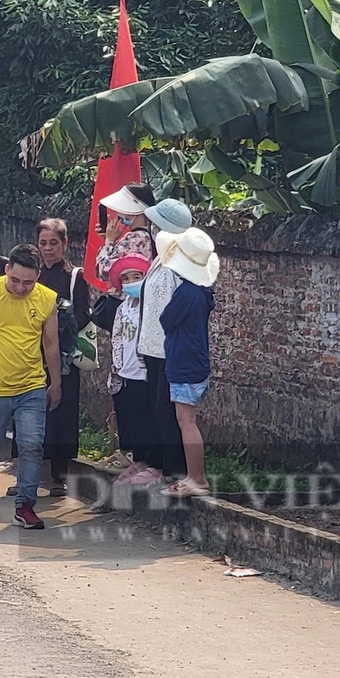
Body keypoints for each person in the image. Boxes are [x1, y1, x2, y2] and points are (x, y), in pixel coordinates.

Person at [0, 244, 60, 530]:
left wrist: (56, 383)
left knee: (31, 444)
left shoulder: (47, 299)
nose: (20, 287)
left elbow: (51, 344)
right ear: (6, 270)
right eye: (14, 280)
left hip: (31, 386)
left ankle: (25, 505)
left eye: (28, 282)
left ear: (38, 277)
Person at [136, 199, 194, 481]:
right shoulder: (161, 259)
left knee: (168, 410)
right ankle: (164, 465)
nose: (152, 231)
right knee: (157, 408)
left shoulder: (180, 265)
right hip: (152, 346)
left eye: (157, 227)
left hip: (168, 347)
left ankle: (176, 470)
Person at [159, 228, 219, 497]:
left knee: (186, 422)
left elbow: (166, 321)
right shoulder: (202, 292)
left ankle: (198, 479)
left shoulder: (186, 293)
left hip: (185, 363)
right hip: (194, 361)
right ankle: (194, 477)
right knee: (187, 420)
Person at [93, 253, 158, 483]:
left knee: (146, 417)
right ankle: (138, 459)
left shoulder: (151, 307)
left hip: (145, 371)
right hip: (126, 370)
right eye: (127, 279)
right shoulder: (123, 308)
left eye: (136, 276)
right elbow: (118, 337)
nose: (131, 282)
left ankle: (154, 463)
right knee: (130, 417)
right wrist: (118, 364)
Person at [36, 218, 88, 494]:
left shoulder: (74, 277)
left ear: (65, 244)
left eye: (53, 243)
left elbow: (83, 314)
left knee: (63, 412)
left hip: (65, 355)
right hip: (33, 354)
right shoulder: (32, 275)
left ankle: (60, 473)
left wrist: (60, 322)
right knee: (32, 411)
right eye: (43, 243)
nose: (47, 249)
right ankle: (31, 472)